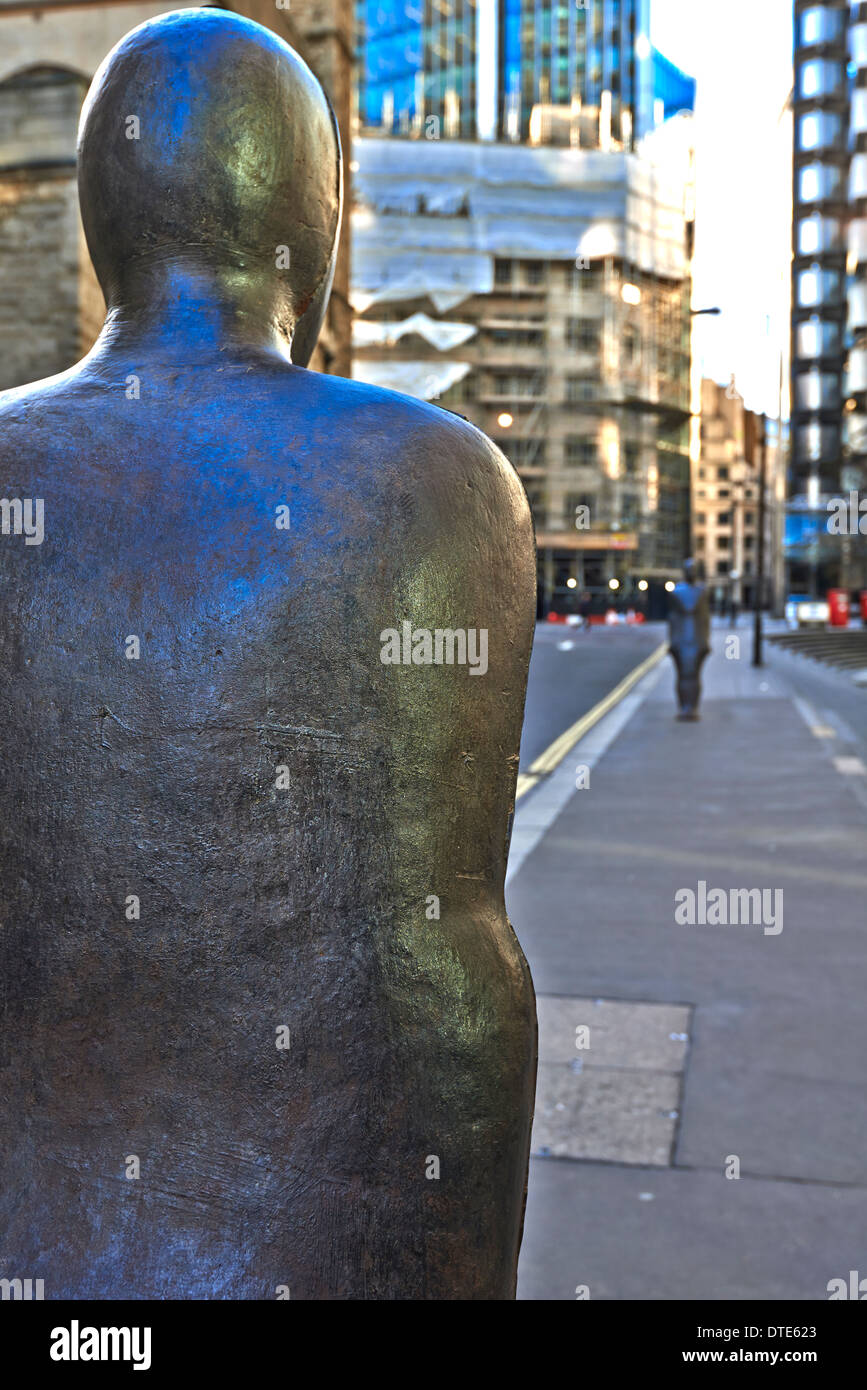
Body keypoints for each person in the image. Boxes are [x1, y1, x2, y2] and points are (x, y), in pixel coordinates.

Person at [667, 558, 711, 720]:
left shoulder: (701, 590)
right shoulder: (679, 592)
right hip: (681, 639)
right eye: (689, 569)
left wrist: (706, 640)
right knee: (683, 675)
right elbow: (673, 618)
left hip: (697, 639)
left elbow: (705, 618)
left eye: (693, 569)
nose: (691, 572)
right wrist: (671, 641)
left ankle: (692, 707)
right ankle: (684, 707)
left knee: (693, 675)